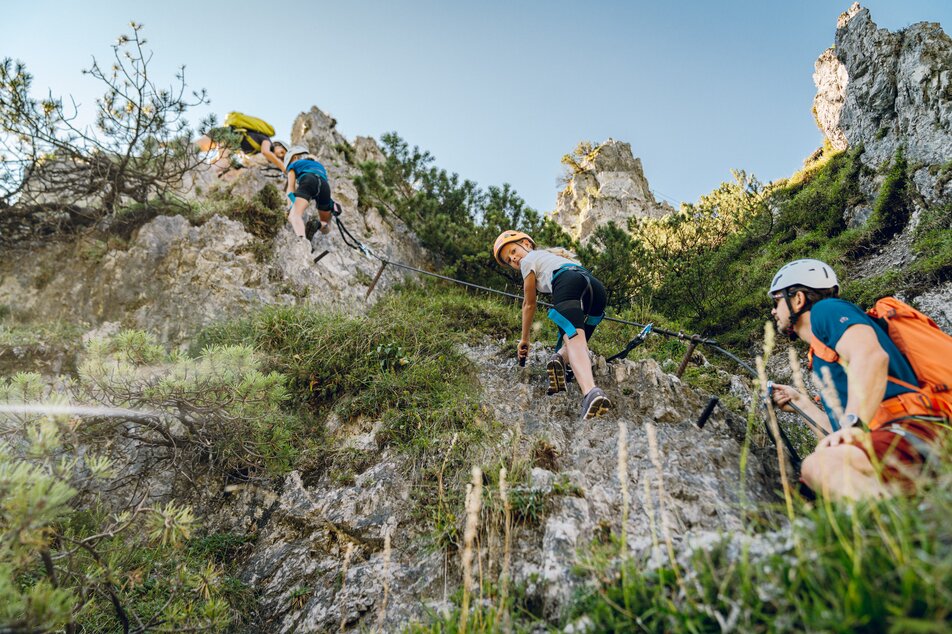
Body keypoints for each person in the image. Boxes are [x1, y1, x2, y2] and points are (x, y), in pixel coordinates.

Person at [767, 258, 948, 499]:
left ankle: (902, 529)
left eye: (777, 300)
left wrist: (853, 426)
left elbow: (872, 357)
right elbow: (839, 434)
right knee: (822, 467)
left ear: (798, 298)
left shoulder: (827, 310)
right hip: (899, 435)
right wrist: (801, 403)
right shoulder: (824, 355)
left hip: (912, 427)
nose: (772, 310)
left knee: (820, 466)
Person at [493, 230, 612, 421]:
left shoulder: (527, 261)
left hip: (567, 281)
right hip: (596, 288)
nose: (513, 258)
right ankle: (559, 359)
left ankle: (591, 392)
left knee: (574, 339)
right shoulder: (552, 257)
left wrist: (524, 339)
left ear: (527, 243)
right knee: (577, 341)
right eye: (509, 259)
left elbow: (529, 303)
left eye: (513, 251)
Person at [284, 145, 338, 247]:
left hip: (308, 180)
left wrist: (290, 206)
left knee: (294, 216)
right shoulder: (319, 165)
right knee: (327, 225)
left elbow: (291, 187)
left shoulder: (294, 164)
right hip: (325, 186)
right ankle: (318, 225)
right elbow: (320, 182)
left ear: (294, 157)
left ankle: (303, 245)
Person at [196, 125, 287, 172]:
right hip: (226, 136)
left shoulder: (256, 150)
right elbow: (265, 152)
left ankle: (199, 172)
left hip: (226, 140)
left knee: (217, 164)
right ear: (278, 145)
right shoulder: (267, 141)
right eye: (282, 152)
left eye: (281, 158)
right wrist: (282, 167)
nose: (279, 156)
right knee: (195, 148)